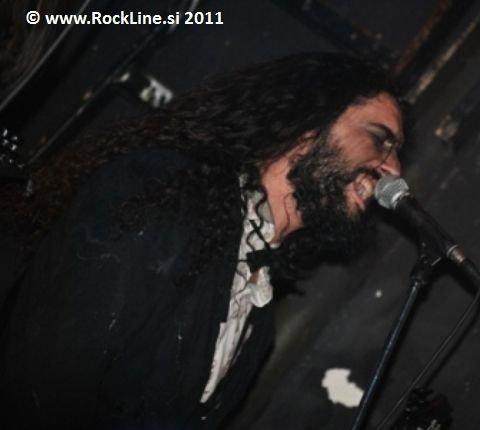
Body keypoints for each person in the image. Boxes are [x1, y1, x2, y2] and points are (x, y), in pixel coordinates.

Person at [0, 52, 404, 428]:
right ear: (309, 125)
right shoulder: (161, 195)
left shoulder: (259, 318)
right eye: (379, 139)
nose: (395, 169)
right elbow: (44, 380)